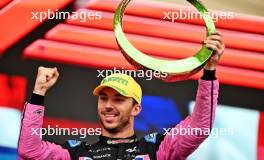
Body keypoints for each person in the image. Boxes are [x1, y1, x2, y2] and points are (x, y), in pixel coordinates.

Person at [18, 31, 224, 160]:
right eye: (104, 98)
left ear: (136, 108)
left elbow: (199, 128)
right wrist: (39, 93)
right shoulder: (76, 153)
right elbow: (30, 151)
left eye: (119, 99)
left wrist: (210, 71)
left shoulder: (158, 150)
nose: (108, 105)